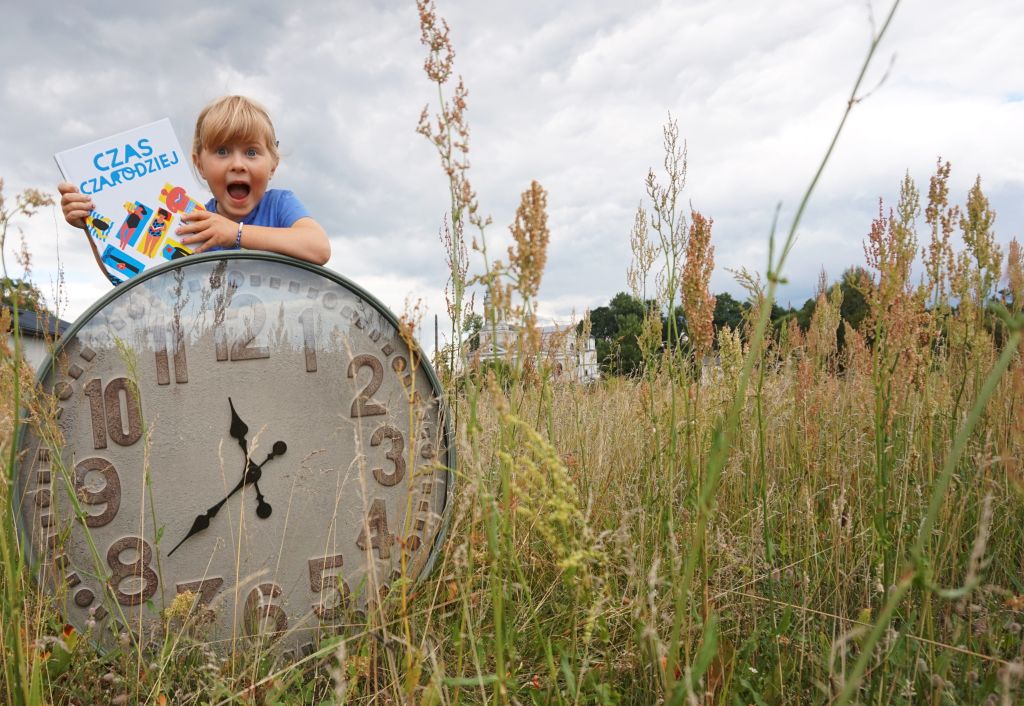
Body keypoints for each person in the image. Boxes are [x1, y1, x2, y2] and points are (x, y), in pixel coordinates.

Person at [58, 95, 331, 271]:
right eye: (222, 151)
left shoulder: (280, 204)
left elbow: (318, 247)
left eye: (251, 152)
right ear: (199, 164)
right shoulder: (191, 221)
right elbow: (133, 277)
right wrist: (90, 226)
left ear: (273, 164)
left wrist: (235, 233)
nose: (238, 164)